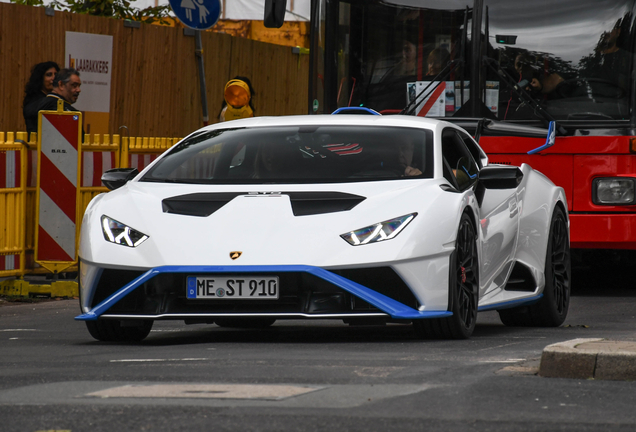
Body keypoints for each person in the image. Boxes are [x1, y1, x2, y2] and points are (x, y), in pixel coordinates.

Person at [37, 68, 84, 139]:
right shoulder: (70, 112)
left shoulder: (38, 104)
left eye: (79, 86)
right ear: (61, 85)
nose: (78, 90)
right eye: (74, 86)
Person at [23, 61, 60, 136]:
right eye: (49, 75)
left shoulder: (57, 98)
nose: (53, 78)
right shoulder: (33, 99)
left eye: (56, 75)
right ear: (40, 78)